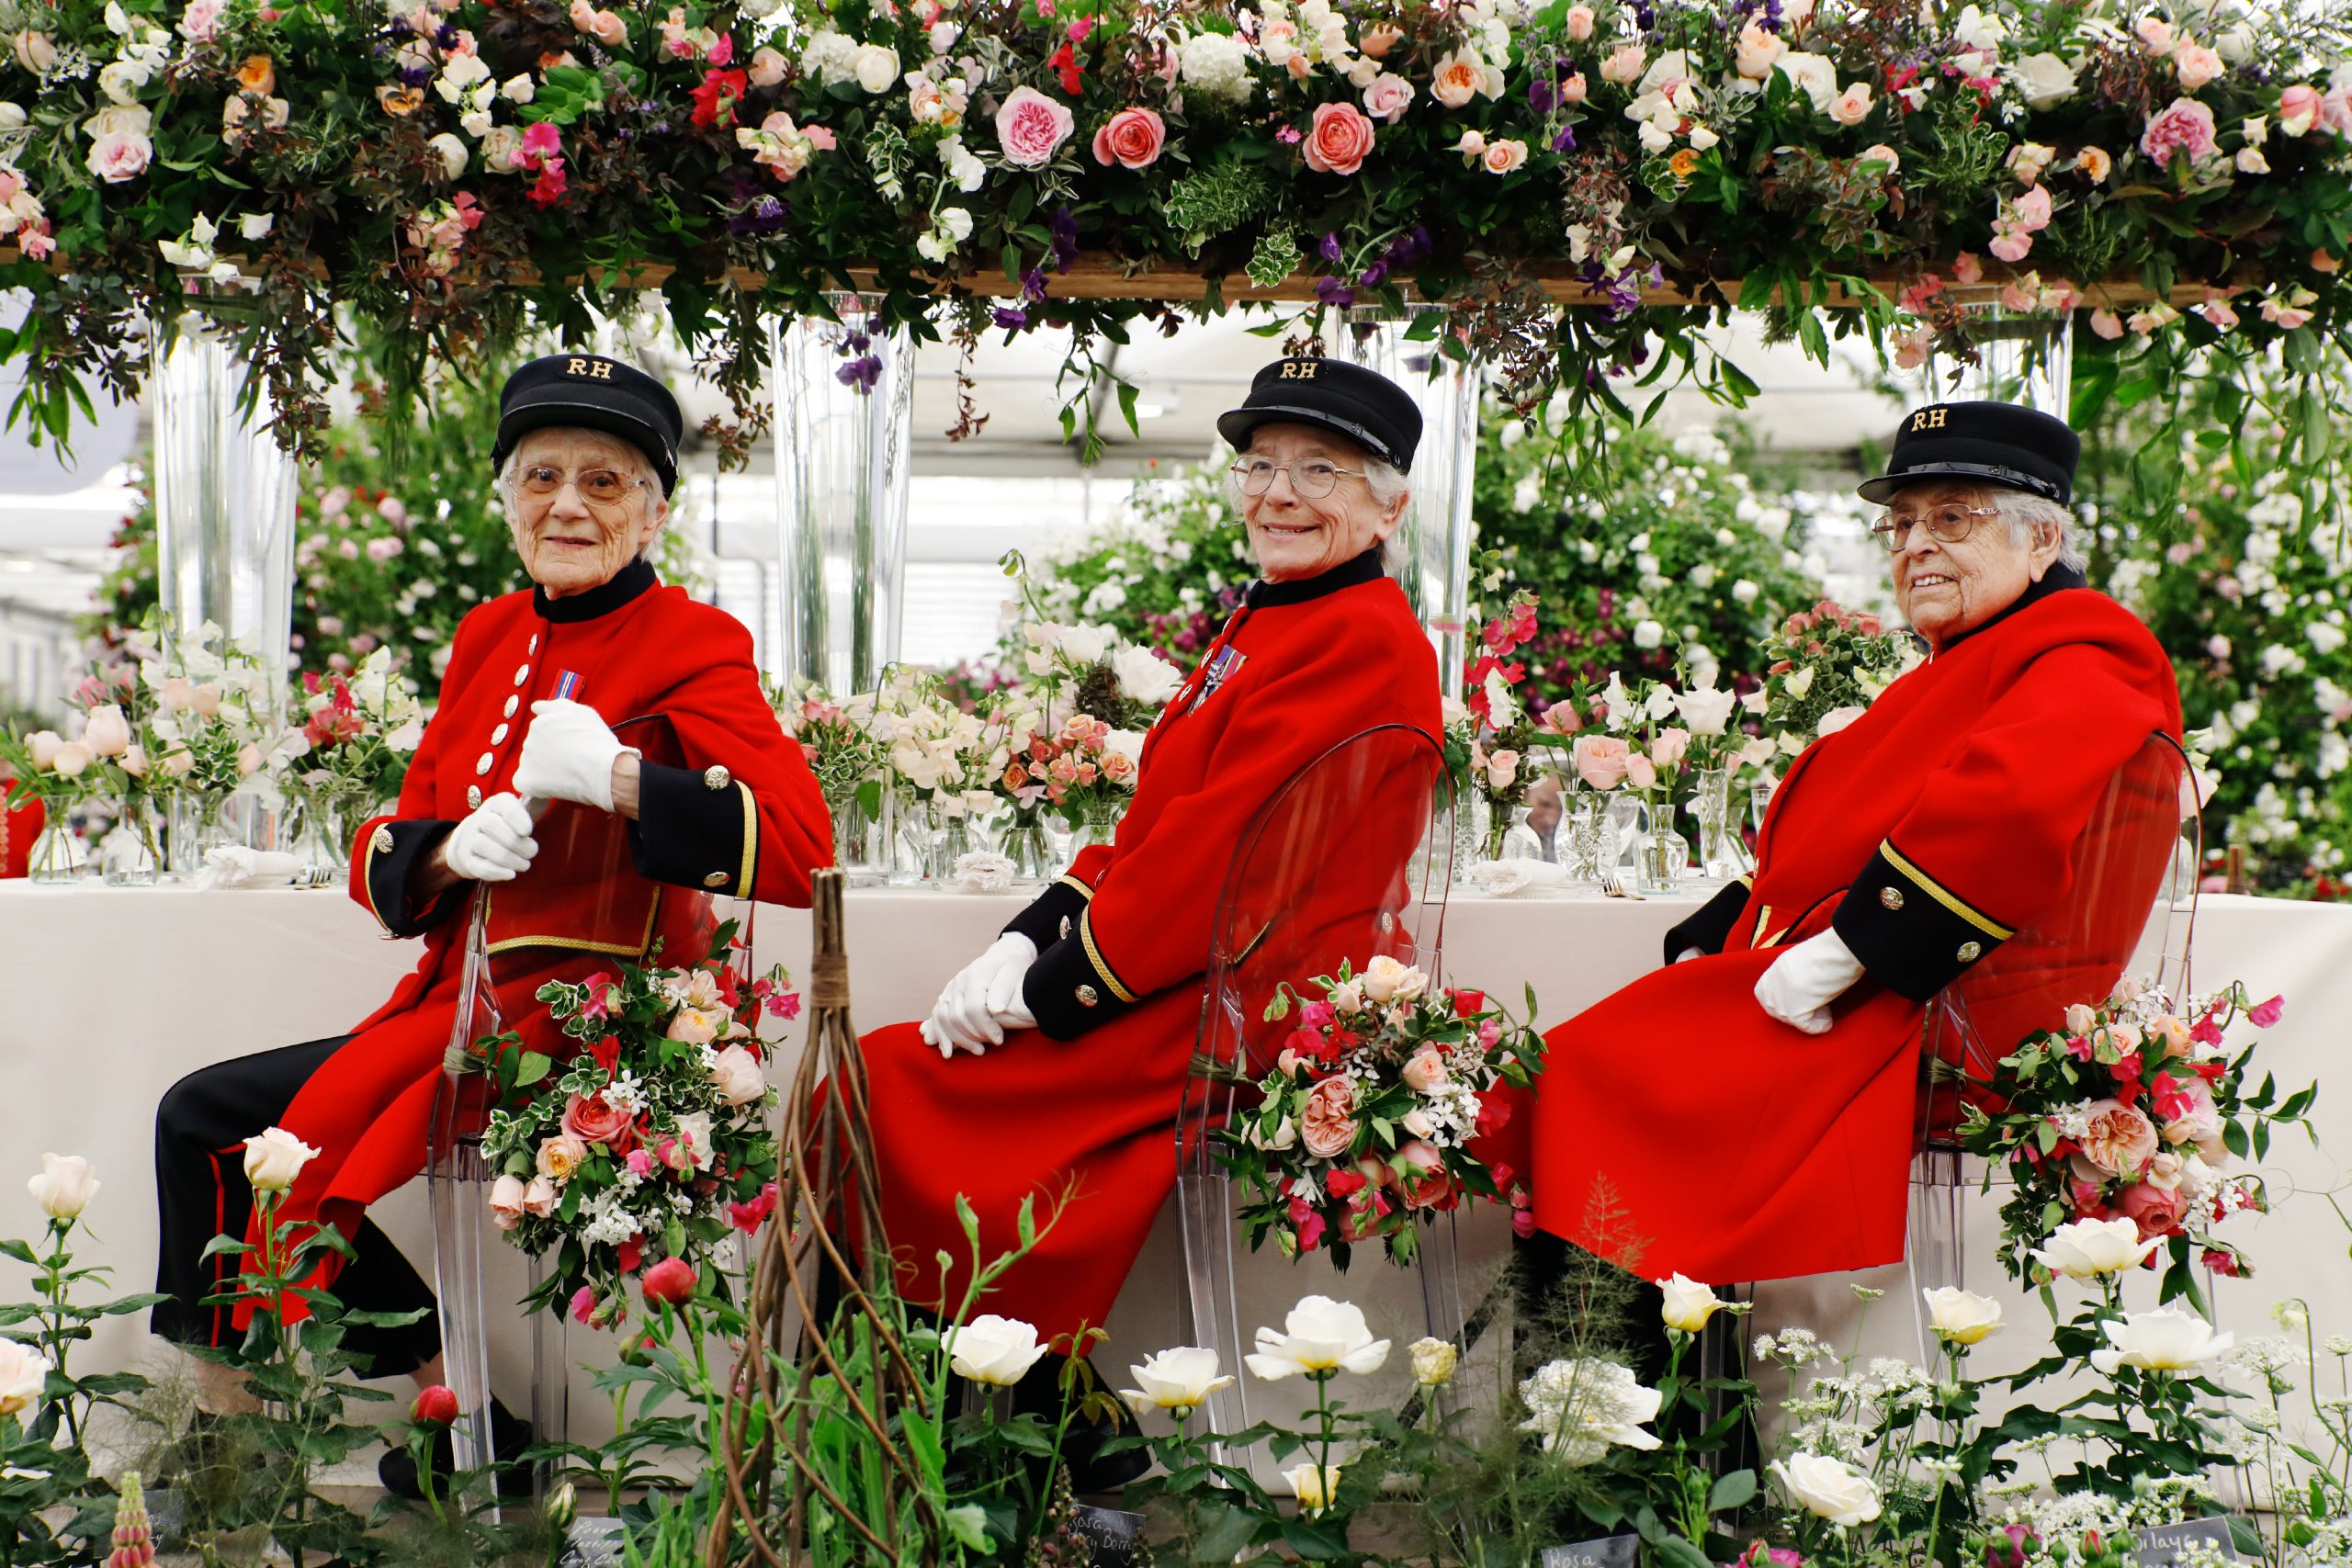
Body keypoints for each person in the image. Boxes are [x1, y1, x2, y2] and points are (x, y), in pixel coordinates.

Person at [152, 354, 833, 1491]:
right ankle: (442, 1411)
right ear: (507, 498)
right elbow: (398, 831)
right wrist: (446, 848)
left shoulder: (693, 640)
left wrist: (622, 780)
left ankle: (266, 1439)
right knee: (206, 1118)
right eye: (543, 477)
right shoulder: (485, 635)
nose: (568, 504)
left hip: (584, 1015)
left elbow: (805, 851)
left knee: (266, 1140)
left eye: (605, 483)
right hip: (453, 997)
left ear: (658, 510)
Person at [850, 357, 1442, 1460]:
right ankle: (1029, 1414)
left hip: (1254, 994)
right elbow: (1158, 827)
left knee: (889, 1079)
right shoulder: (1280, 615)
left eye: (1320, 469)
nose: (1278, 492)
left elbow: (1219, 863)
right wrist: (1030, 929)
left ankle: (1032, 1421)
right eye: (1260, 465)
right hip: (1209, 965)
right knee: (891, 1072)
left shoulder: (1353, 634)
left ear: (1389, 503)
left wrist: (1053, 988)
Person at [1500, 400, 2183, 1291]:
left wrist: (1855, 948)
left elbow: (2007, 811)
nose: (1915, 545)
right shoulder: (1980, 653)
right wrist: (1734, 918)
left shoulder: (2089, 651)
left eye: (1951, 517)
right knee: (1585, 1066)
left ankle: (1629, 1388)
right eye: (1901, 523)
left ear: (2041, 540)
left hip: (1932, 1016)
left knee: (1594, 1078)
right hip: (1877, 991)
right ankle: (1624, 1374)